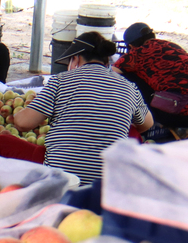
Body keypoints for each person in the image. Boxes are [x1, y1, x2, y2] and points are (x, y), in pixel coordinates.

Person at [13, 32, 153, 185]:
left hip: (63, 181)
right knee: (130, 131)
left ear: (77, 58)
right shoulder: (129, 87)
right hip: (106, 184)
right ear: (106, 61)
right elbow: (147, 124)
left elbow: (23, 123)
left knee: (3, 142)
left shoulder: (60, 81)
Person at [113, 22, 188, 129]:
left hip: (184, 115)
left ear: (131, 46)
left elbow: (110, 74)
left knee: (130, 77)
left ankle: (142, 125)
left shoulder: (135, 54)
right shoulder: (173, 46)